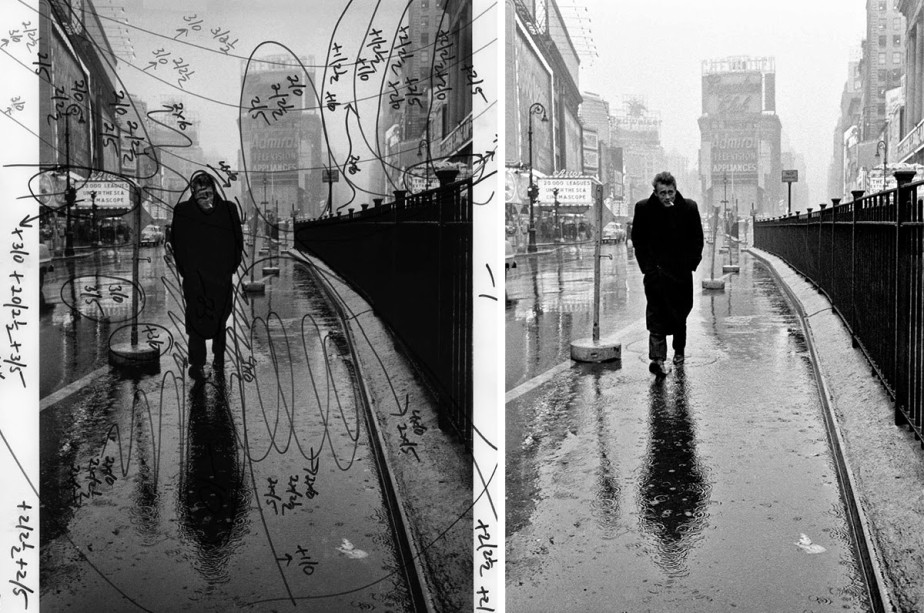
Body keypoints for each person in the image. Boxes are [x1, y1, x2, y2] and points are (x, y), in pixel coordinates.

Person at [170, 171, 244, 380]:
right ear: (194, 195)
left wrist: (230, 267)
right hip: (195, 279)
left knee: (221, 317)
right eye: (201, 195)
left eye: (209, 194)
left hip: (220, 277)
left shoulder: (228, 210)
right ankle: (197, 363)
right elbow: (177, 244)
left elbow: (237, 243)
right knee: (195, 320)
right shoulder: (183, 212)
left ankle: (219, 358)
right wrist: (187, 271)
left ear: (214, 192)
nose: (206, 199)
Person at [631, 171, 704, 377]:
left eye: (670, 192)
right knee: (656, 315)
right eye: (662, 193)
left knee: (680, 313)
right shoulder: (643, 208)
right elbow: (638, 240)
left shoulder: (688, 208)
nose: (667, 197)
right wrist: (647, 267)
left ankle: (678, 351)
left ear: (675, 189)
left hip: (680, 274)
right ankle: (658, 359)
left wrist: (690, 264)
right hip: (656, 274)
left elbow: (697, 238)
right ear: (655, 192)